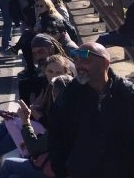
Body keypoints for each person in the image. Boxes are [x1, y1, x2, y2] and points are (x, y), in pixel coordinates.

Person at [48, 42, 134, 178]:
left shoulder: (127, 94)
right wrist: (62, 172)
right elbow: (56, 137)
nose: (79, 65)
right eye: (76, 60)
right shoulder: (69, 95)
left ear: (105, 63)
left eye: (85, 60)